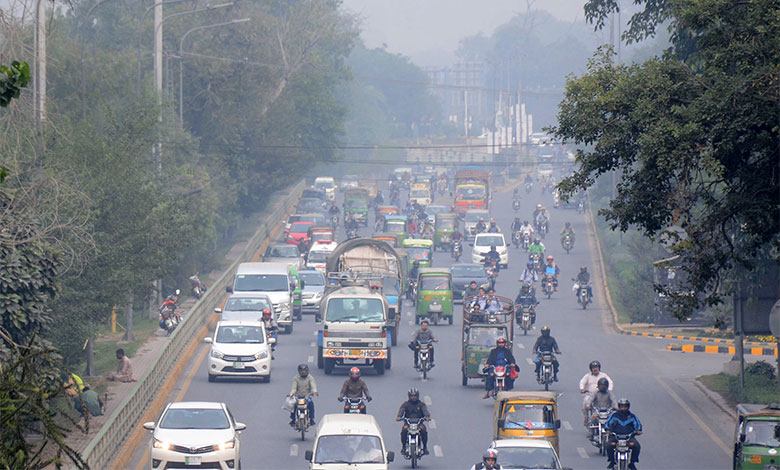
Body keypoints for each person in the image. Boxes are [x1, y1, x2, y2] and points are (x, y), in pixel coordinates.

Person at [606, 398, 642, 469]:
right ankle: (612, 461)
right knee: (608, 445)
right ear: (619, 407)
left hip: (629, 437)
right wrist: (608, 430)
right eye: (622, 406)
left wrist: (638, 430)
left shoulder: (632, 416)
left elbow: (638, 424)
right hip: (615, 437)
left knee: (637, 446)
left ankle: (632, 463)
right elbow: (607, 423)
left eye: (625, 406)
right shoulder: (614, 415)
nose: (623, 408)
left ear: (628, 407)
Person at [397, 388, 431, 455]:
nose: (413, 397)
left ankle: (425, 447)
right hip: (408, 423)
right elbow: (401, 410)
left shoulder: (421, 404)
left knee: (423, 430)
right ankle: (403, 447)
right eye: (412, 396)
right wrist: (399, 416)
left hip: (419, 423)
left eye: (415, 396)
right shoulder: (405, 404)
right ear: (409, 396)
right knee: (404, 430)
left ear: (417, 396)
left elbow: (425, 411)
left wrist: (427, 417)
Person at [579, 360, 614, 426]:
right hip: (590, 395)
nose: (595, 369)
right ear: (591, 369)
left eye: (596, 367)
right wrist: (582, 388)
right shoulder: (587, 376)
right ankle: (586, 419)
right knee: (585, 404)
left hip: (602, 394)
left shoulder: (604, 375)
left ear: (599, 368)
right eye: (593, 367)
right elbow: (582, 382)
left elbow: (610, 382)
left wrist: (609, 390)